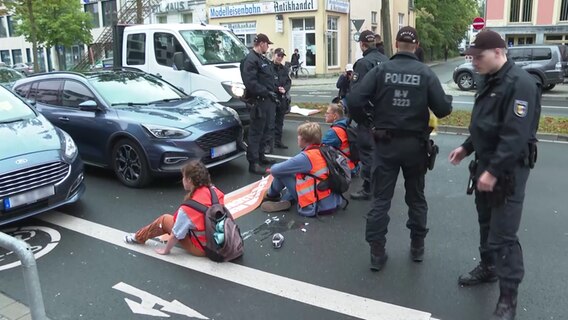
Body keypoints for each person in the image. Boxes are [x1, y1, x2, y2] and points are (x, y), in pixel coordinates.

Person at [448, 30, 541, 320]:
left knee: (503, 234)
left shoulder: (520, 84)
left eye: (479, 56)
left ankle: (508, 299)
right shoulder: (489, 79)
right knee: (486, 222)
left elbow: (515, 135)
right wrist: (466, 148)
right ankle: (488, 268)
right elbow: (487, 125)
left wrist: (493, 171)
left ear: (499, 52)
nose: (473, 61)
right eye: (471, 57)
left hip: (508, 170)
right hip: (487, 166)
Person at [348, 26, 453, 271]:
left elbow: (354, 100)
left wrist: (369, 121)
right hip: (415, 146)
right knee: (416, 198)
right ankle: (417, 246)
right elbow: (442, 110)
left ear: (395, 44)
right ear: (416, 46)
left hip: (385, 144)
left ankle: (377, 252)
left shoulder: (381, 70)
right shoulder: (425, 73)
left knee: (381, 199)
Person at [123, 160, 224, 257]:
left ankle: (138, 237)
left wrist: (166, 250)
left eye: (183, 177)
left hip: (202, 249)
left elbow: (176, 234)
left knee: (164, 219)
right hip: (218, 242)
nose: (182, 180)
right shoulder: (216, 193)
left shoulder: (189, 208)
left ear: (189, 180)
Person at [260, 122, 344, 217]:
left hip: (317, 204)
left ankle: (272, 196)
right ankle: (286, 200)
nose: (297, 138)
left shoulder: (306, 157)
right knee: (298, 175)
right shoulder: (324, 150)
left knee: (282, 174)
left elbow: (276, 170)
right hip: (332, 200)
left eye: (299, 136)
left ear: (305, 140)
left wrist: (273, 169)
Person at [347, 30, 388, 201]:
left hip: (369, 117)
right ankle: (382, 184)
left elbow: (356, 97)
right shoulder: (387, 61)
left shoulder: (363, 64)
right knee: (382, 152)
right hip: (385, 117)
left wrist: (361, 119)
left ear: (362, 45)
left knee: (367, 153)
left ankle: (368, 188)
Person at [240, 33, 279, 175]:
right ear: (261, 43)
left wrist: (274, 91)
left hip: (267, 101)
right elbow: (250, 83)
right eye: (267, 44)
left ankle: (261, 156)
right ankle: (253, 163)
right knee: (256, 133)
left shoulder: (261, 58)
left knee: (265, 130)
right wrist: (266, 92)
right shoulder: (250, 60)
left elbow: (267, 78)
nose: (268, 47)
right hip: (258, 101)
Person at [322, 103, 357, 174]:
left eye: (327, 113)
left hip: (344, 169)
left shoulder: (334, 131)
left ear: (334, 116)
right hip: (352, 165)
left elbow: (319, 148)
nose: (325, 115)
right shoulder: (347, 124)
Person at [271, 48, 292, 150]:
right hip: (271, 97)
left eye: (282, 56)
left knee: (280, 122)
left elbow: (288, 82)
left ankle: (278, 141)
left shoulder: (284, 69)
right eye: (278, 55)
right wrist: (276, 89)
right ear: (274, 55)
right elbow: (266, 82)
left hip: (282, 98)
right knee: (270, 122)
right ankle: (268, 144)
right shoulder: (268, 67)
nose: (280, 58)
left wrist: (285, 89)